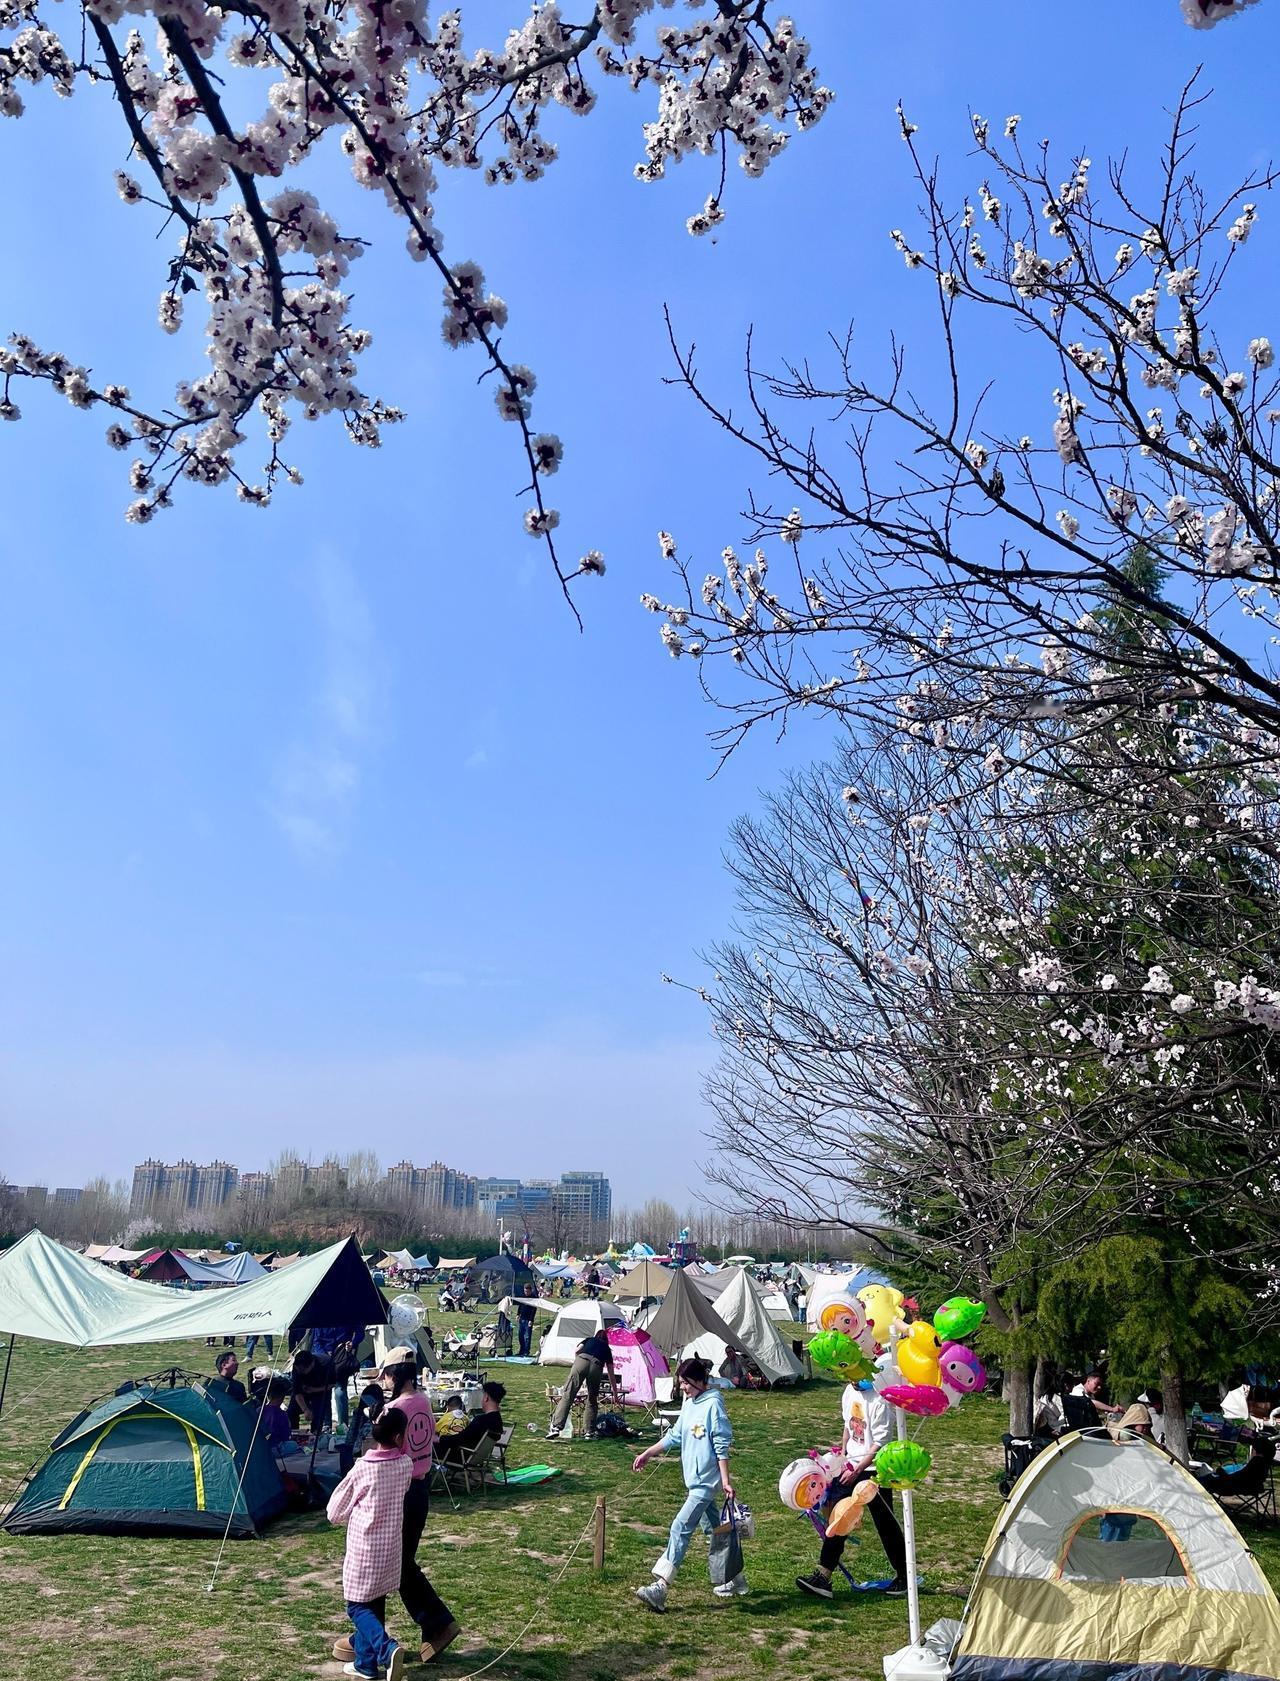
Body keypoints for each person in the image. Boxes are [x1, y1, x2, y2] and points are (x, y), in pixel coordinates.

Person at [630, 1356, 746, 1610]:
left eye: (686, 1382)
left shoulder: (713, 1404)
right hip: (694, 1482)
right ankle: (736, 1579)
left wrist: (726, 1481)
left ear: (699, 1380)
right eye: (681, 1383)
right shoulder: (690, 1403)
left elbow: (721, 1444)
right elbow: (675, 1436)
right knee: (716, 1530)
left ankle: (661, 1586)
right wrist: (648, 1453)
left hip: (706, 1483)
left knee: (680, 1527)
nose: (682, 1387)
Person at [796, 1377, 908, 1599]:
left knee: (885, 1523)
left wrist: (857, 1471)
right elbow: (848, 1427)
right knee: (838, 1519)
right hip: (849, 1467)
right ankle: (823, 1576)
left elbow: (879, 1444)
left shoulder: (879, 1399)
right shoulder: (849, 1391)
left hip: (873, 1470)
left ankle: (905, 1576)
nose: (852, 1380)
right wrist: (842, 1455)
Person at [384, 1354, 460, 1663]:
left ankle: (436, 1622)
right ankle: (433, 1623)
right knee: (399, 1562)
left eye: (386, 1374)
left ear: (395, 1374)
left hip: (400, 1490)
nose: (383, 1380)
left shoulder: (395, 1409)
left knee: (393, 1563)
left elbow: (385, 1453)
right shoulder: (423, 1401)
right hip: (421, 1487)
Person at [326, 1407, 411, 1681]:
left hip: (365, 1549)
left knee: (357, 1606)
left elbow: (334, 1512)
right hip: (391, 1548)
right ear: (398, 1437)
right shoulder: (405, 1465)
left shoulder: (363, 1468)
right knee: (374, 1602)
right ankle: (365, 1664)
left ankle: (387, 1649)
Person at [547, 1326, 617, 1441]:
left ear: (596, 1336)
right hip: (596, 1365)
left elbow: (577, 1350)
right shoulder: (607, 1348)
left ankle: (556, 1427)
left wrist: (578, 1362)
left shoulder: (589, 1340)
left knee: (568, 1395)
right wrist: (615, 1392)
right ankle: (589, 1431)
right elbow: (611, 1373)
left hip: (581, 1360)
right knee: (592, 1399)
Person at [438, 1382, 506, 1463]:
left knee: (430, 1446)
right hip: (476, 1457)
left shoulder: (481, 1420)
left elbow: (459, 1439)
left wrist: (440, 1439)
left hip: (462, 1456)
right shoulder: (497, 1420)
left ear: (486, 1397)